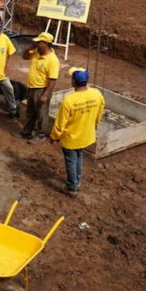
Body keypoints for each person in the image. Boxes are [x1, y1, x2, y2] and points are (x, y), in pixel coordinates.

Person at [50, 67, 105, 195]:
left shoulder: (69, 100)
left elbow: (60, 123)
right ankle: (77, 181)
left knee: (71, 161)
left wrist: (54, 136)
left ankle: (72, 187)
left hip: (71, 138)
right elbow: (100, 111)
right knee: (79, 157)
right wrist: (95, 124)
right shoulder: (96, 94)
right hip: (86, 135)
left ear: (73, 82)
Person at [18, 32, 59, 143]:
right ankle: (27, 131)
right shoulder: (36, 52)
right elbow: (24, 56)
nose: (36, 43)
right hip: (31, 87)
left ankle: (41, 134)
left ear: (46, 44)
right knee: (30, 111)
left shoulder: (53, 60)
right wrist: (30, 48)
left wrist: (45, 94)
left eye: (39, 42)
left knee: (41, 113)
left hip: (41, 89)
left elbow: (53, 80)